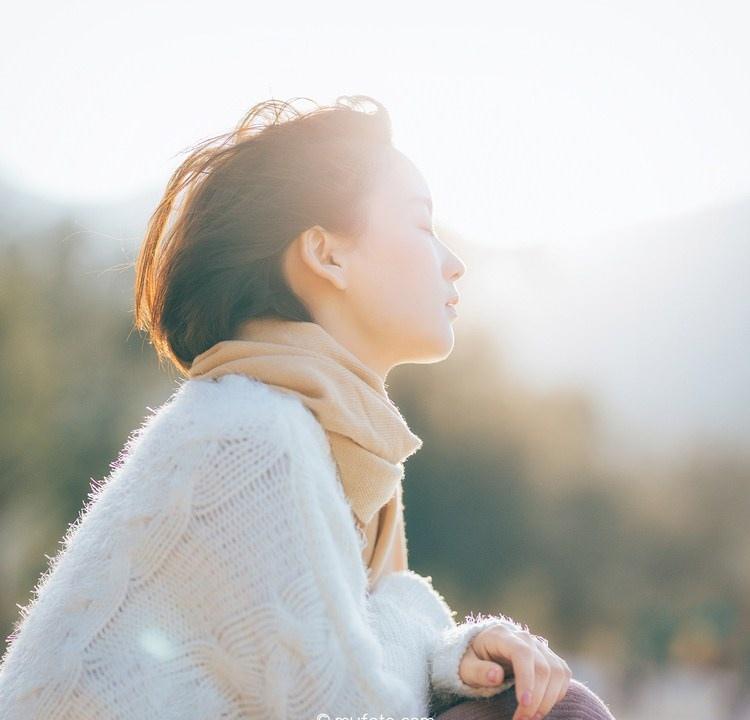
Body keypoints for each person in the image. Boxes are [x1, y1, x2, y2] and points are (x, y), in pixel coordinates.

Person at [0, 95, 616, 720]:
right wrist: (447, 652)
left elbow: (360, 650)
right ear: (326, 254)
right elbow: (350, 704)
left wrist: (455, 651)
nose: (454, 265)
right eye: (422, 224)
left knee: (551, 704)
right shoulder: (251, 434)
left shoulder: (346, 443)